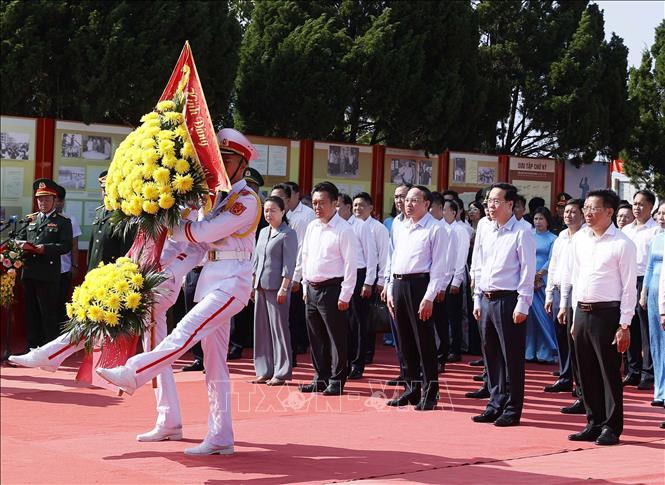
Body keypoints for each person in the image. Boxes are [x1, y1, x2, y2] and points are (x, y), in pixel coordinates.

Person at [96, 127, 262, 456]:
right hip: (212, 279)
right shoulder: (218, 199)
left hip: (233, 281)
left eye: (227, 160)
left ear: (243, 166)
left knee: (185, 331)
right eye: (218, 159)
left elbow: (204, 232)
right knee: (215, 363)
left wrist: (176, 223)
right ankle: (221, 435)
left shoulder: (246, 200)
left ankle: (134, 372)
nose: (219, 166)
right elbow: (196, 233)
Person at [559, 189, 636, 446]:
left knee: (608, 372)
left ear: (609, 212)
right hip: (582, 311)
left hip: (608, 314)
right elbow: (576, 278)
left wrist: (624, 324)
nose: (587, 213)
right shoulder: (580, 239)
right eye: (586, 209)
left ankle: (612, 427)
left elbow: (628, 288)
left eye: (593, 209)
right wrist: (573, 317)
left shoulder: (622, 244)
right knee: (586, 370)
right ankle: (593, 421)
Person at [472, 183, 535, 427]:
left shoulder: (522, 231)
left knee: (512, 357)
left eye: (497, 200)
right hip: (486, 299)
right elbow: (477, 264)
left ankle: (512, 407)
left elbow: (528, 271)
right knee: (491, 356)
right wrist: (477, 296)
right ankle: (495, 403)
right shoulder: (485, 228)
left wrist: (523, 304)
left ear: (510, 204)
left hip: (509, 300)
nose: (491, 205)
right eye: (489, 200)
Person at [387, 185, 449, 411]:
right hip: (400, 284)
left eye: (414, 200)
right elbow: (392, 257)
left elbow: (439, 267)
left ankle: (430, 393)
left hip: (421, 285)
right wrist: (390, 286)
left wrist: (429, 296)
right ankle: (411, 390)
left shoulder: (435, 229)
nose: (408, 204)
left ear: (427, 204)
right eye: (406, 200)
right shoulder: (399, 225)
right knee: (404, 341)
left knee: (424, 342)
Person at [297, 182, 356, 395]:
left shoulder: (344, 230)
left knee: (336, 337)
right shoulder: (312, 226)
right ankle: (320, 377)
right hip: (311, 288)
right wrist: (304, 286)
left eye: (322, 202)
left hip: (333, 289)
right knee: (316, 336)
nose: (317, 207)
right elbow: (305, 256)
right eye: (314, 203)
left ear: (335, 203)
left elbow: (351, 264)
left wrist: (346, 294)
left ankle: (337, 380)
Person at [15, 179, 73, 348]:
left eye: (47, 199)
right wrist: (21, 245)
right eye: (40, 199)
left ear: (54, 200)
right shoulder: (30, 220)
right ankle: (32, 346)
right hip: (29, 272)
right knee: (31, 312)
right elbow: (19, 239)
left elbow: (66, 246)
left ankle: (48, 350)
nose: (43, 202)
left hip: (48, 275)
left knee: (48, 313)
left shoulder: (63, 222)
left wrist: (44, 249)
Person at [252, 196, 298, 386]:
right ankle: (264, 370)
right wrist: (253, 283)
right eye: (266, 210)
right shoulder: (263, 232)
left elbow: (289, 264)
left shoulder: (288, 233)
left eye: (272, 210)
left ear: (282, 212)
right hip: (260, 286)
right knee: (261, 330)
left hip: (277, 287)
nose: (268, 214)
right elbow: (256, 259)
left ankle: (281, 371)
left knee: (279, 330)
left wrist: (284, 287)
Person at [544, 199, 585, 407]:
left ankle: (581, 389)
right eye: (566, 212)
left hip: (576, 296)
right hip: (559, 292)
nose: (568, 215)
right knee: (561, 336)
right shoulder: (561, 237)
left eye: (573, 212)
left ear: (583, 214)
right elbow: (554, 266)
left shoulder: (585, 237)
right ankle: (565, 376)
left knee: (575, 341)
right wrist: (550, 294)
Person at [337, 194, 377, 379]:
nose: (337, 209)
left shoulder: (361, 226)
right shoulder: (338, 226)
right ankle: (344, 360)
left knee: (359, 322)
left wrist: (369, 281)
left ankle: (357, 364)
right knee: (344, 322)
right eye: (354, 205)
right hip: (343, 276)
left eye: (339, 206)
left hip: (360, 276)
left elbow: (371, 256)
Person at [622, 190, 658, 390]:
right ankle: (633, 371)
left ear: (651, 207)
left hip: (646, 281)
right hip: (627, 281)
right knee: (629, 326)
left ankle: (648, 372)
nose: (636, 208)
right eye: (634, 204)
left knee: (646, 330)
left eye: (641, 204)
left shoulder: (655, 231)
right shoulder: (626, 230)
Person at [381, 183, 412, 383]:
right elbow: (390, 255)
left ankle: (416, 376)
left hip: (416, 285)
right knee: (399, 331)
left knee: (414, 334)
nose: (400, 201)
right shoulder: (396, 223)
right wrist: (386, 283)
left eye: (404, 196)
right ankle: (404, 371)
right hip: (396, 283)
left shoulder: (427, 224)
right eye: (397, 197)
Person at [283, 181, 316, 358]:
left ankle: (298, 345)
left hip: (298, 270)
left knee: (296, 312)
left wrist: (296, 276)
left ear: (296, 195)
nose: (285, 200)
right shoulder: (282, 213)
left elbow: (302, 247)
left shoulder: (306, 215)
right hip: (283, 270)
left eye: (287, 196)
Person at [525, 207, 558, 363]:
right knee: (530, 319)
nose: (538, 222)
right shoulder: (528, 236)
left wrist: (539, 275)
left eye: (541, 219)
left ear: (547, 221)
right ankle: (529, 351)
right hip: (527, 279)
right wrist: (530, 275)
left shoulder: (554, 238)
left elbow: (553, 259)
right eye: (536, 219)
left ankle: (546, 351)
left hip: (544, 281)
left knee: (545, 316)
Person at [640, 201, 665, 407]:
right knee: (655, 342)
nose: (661, 217)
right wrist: (644, 292)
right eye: (660, 213)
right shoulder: (656, 239)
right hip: (653, 294)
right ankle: (659, 390)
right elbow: (649, 268)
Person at [87, 171, 136, 271]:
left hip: (112, 271)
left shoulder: (124, 214)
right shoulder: (99, 212)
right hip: (95, 269)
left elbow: (126, 248)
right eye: (103, 189)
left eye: (108, 189)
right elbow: (93, 245)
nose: (105, 192)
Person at [54, 184, 81, 323]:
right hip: (45, 270)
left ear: (62, 202)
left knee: (60, 304)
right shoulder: (40, 218)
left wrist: (75, 265)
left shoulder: (70, 220)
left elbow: (74, 244)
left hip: (64, 268)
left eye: (58, 200)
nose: (55, 203)